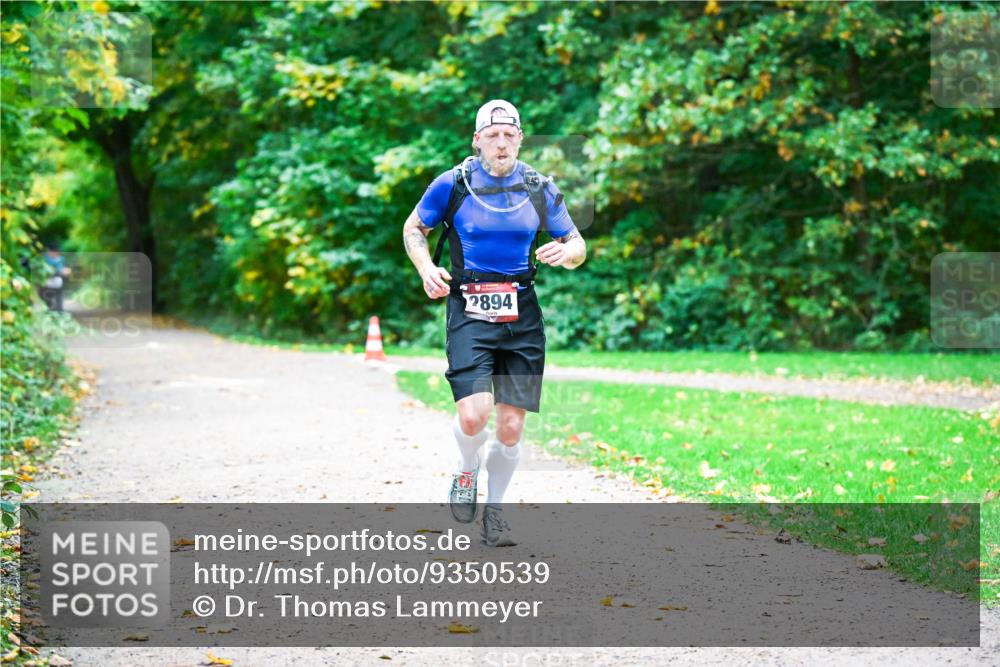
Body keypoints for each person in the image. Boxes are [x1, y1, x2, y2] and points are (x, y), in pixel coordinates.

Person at [402, 100, 586, 546]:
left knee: (510, 427)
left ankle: (496, 512)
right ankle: (467, 470)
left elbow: (576, 242)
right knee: (473, 414)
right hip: (469, 308)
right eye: (493, 134)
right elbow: (413, 229)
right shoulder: (453, 184)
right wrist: (427, 269)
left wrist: (570, 254)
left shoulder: (540, 188)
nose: (501, 143)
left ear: (520, 139)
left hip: (521, 312)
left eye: (510, 134)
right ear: (477, 140)